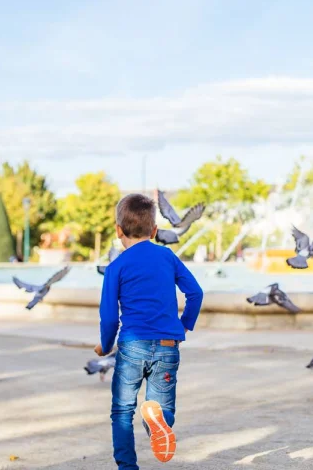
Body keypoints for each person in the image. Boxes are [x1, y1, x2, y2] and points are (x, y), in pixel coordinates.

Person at [95, 194, 203, 470]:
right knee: (162, 406)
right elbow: (195, 293)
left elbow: (109, 318)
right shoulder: (167, 255)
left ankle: (127, 467)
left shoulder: (116, 266)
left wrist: (106, 345)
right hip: (167, 344)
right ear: (155, 230)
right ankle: (159, 423)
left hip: (132, 346)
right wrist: (183, 325)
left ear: (119, 231)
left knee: (122, 410)